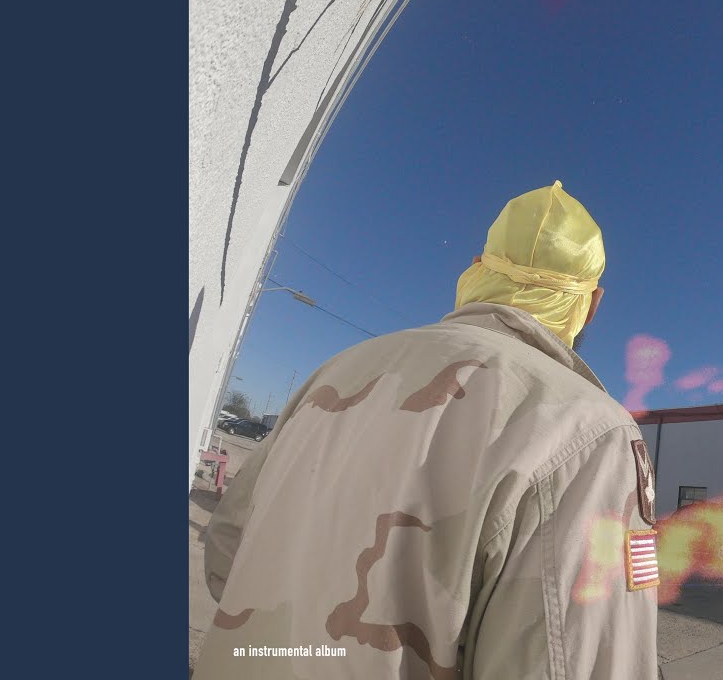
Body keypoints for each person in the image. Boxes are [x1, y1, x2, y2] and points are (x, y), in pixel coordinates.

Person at [196, 181, 659, 679]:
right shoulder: (591, 432)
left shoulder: (334, 372)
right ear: (592, 304)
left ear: (476, 269)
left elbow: (224, 553)